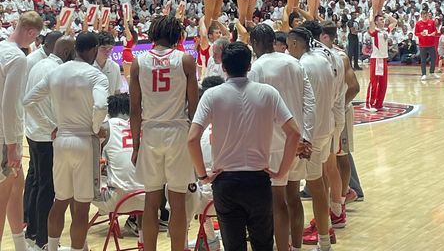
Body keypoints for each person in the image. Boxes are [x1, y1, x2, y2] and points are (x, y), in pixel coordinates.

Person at [188, 42, 300, 251]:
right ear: (249, 66)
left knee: (233, 246)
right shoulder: (268, 93)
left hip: (226, 181)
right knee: (263, 244)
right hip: (258, 179)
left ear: (223, 67)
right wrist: (282, 171)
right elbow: (294, 133)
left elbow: (192, 139)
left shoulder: (212, 95)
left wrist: (203, 176)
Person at [23, 31, 109, 251]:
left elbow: (28, 100)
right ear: (92, 50)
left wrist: (51, 124)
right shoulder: (96, 76)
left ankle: (51, 248)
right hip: (84, 142)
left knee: (59, 201)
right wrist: (96, 127)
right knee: (81, 207)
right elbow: (100, 106)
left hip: (60, 141)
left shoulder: (56, 72)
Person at [129, 15, 199, 251]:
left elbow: (134, 109)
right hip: (178, 131)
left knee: (151, 202)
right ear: (177, 36)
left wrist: (136, 146)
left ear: (153, 34)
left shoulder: (139, 62)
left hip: (150, 131)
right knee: (177, 202)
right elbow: (193, 107)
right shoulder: (186, 60)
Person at [248, 24, 314, 251]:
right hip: (297, 139)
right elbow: (309, 102)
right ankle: (296, 247)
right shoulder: (294, 63)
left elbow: (253, 109)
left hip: (274, 144)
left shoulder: (257, 68)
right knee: (294, 198)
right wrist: (306, 136)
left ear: (256, 43)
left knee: (277, 203)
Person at [287, 26, 339, 251]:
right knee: (318, 184)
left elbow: (302, 103)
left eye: (289, 46)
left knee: (291, 188)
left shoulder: (301, 66)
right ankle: (324, 239)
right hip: (326, 127)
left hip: (310, 134)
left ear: (296, 44)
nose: (288, 51)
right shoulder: (323, 60)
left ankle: (292, 242)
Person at [23, 36, 76, 251]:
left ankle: (33, 232)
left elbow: (28, 100)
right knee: (48, 188)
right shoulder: (56, 70)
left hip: (33, 132)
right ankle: (44, 240)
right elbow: (32, 100)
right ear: (65, 52)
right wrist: (52, 125)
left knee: (37, 183)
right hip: (47, 136)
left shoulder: (40, 64)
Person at [0, 12, 44, 251]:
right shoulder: (17, 58)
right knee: (3, 195)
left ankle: (20, 244)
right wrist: (11, 145)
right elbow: (9, 105)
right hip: (5, 134)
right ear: (29, 31)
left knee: (17, 187)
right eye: (35, 36)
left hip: (4, 131)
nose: (33, 41)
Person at [319, 22, 360, 225]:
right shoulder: (323, 55)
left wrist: (339, 106)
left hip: (340, 112)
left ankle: (341, 200)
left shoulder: (340, 56)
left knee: (341, 157)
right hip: (332, 113)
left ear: (325, 37)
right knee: (331, 159)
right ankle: (338, 199)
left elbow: (354, 87)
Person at [94, 93, 145, 245]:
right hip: (147, 199)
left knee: (80, 189)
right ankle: (142, 240)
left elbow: (95, 162)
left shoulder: (104, 128)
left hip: (117, 201)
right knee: (141, 184)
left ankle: (81, 245)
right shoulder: (143, 125)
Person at [366, 13, 397, 111]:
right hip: (376, 58)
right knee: (374, 82)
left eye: (383, 20)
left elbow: (395, 22)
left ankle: (379, 104)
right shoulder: (374, 31)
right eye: (380, 20)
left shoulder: (386, 30)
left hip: (384, 58)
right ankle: (369, 104)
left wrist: (386, 14)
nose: (383, 21)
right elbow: (370, 22)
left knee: (383, 83)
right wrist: (372, 13)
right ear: (376, 22)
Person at [94, 31, 122, 95]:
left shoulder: (115, 67)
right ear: (95, 48)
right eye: (103, 48)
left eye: (110, 48)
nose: (107, 51)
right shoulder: (87, 66)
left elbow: (117, 91)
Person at [415, 10, 438, 80]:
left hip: (431, 44)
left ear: (428, 15)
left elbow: (435, 30)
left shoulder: (432, 22)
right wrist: (421, 34)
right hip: (422, 45)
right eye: (423, 15)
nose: (425, 17)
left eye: (426, 15)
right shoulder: (418, 23)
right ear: (421, 15)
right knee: (423, 60)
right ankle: (424, 74)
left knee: (434, 58)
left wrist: (434, 33)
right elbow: (416, 33)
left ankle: (432, 72)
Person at [122, 11, 138, 84]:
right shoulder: (132, 37)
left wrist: (125, 16)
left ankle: (131, 91)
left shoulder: (130, 37)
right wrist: (130, 14)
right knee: (128, 75)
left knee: (127, 75)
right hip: (128, 54)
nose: (125, 30)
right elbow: (131, 24)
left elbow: (126, 25)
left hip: (127, 54)